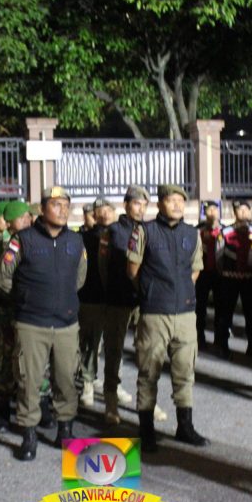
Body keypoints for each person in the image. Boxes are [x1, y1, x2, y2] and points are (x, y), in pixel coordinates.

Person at [0, 186, 87, 461]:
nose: (62, 210)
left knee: (67, 379)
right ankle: (29, 435)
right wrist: (26, 298)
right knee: (29, 381)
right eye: (56, 205)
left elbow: (79, 278)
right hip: (32, 324)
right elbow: (2, 277)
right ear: (42, 208)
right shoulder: (23, 240)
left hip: (66, 324)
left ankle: (65, 430)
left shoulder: (76, 241)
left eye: (66, 205)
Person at [127, 184, 208, 453]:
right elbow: (133, 269)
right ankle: (146, 430)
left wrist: (181, 292)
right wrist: (151, 292)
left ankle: (185, 427)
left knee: (185, 371)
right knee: (148, 371)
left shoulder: (192, 234)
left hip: (185, 313)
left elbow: (195, 269)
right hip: (154, 313)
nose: (176, 205)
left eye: (180, 201)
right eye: (171, 200)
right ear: (160, 204)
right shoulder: (145, 231)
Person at [97, 186, 152, 424]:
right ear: (126, 204)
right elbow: (102, 267)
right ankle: (111, 402)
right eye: (137, 203)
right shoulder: (112, 231)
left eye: (145, 205)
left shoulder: (149, 230)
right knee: (114, 352)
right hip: (117, 299)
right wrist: (111, 290)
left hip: (142, 301)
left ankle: (147, 403)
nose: (141, 209)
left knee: (147, 353)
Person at [0, 200, 31, 432]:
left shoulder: (35, 242)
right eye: (22, 217)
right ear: (11, 222)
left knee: (32, 363)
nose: (28, 220)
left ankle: (37, 410)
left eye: (28, 216)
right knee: (4, 363)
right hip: (6, 313)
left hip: (30, 314)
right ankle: (2, 413)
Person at [76, 198, 115, 407]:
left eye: (108, 210)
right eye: (99, 211)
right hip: (90, 297)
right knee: (89, 343)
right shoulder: (83, 238)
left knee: (110, 346)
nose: (103, 214)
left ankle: (110, 384)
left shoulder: (119, 235)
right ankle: (88, 383)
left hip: (114, 300)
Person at [215, 200, 252, 359]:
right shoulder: (225, 232)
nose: (243, 212)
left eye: (246, 210)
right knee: (226, 313)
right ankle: (223, 345)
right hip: (229, 278)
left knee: (251, 314)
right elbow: (218, 255)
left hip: (249, 278)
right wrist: (223, 271)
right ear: (234, 213)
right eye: (240, 210)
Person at [195, 200, 222, 348]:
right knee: (200, 307)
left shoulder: (224, 230)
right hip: (202, 273)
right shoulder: (198, 230)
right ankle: (200, 336)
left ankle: (219, 338)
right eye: (209, 210)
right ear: (204, 213)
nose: (212, 213)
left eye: (214, 210)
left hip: (219, 274)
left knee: (220, 307)